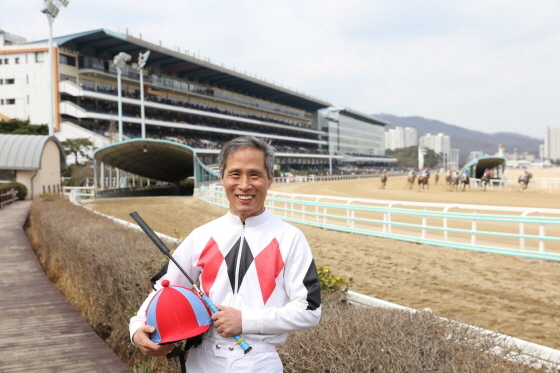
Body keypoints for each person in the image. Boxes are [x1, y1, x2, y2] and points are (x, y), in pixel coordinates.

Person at [129, 136, 321, 372]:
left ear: (270, 179)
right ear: (222, 178)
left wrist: (245, 321)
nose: (244, 185)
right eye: (235, 174)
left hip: (259, 362)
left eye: (255, 174)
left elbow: (310, 310)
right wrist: (137, 327)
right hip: (201, 360)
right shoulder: (202, 234)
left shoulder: (290, 238)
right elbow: (165, 287)